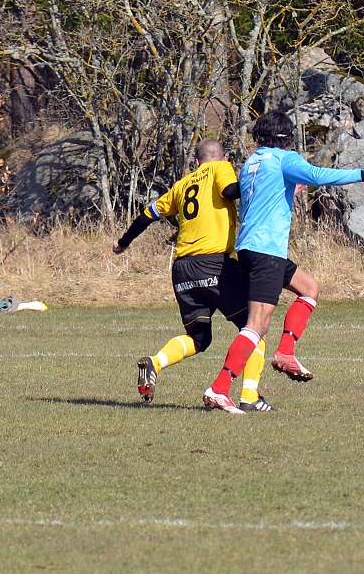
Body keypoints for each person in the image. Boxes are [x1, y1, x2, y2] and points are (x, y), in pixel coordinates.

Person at [203, 110, 364, 414]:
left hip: (252, 248)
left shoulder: (252, 162)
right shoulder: (284, 159)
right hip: (266, 250)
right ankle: (219, 388)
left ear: (260, 136)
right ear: (286, 137)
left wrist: (289, 189)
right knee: (257, 324)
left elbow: (261, 197)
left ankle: (285, 352)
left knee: (309, 288)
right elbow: (318, 175)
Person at [113, 138, 272, 412]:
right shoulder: (221, 168)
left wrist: (123, 242)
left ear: (196, 162)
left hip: (182, 269)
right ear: (222, 158)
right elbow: (231, 190)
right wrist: (263, 184)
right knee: (255, 326)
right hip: (213, 263)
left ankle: (156, 362)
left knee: (199, 338)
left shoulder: (182, 185)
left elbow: (147, 215)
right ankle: (249, 397)